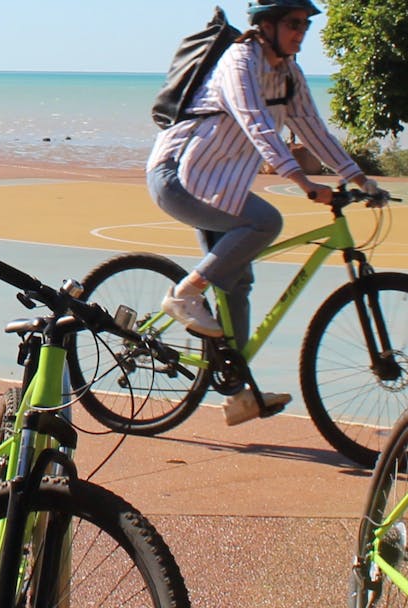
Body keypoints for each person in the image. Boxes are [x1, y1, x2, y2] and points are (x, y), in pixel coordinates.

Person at [145, 0, 388, 424]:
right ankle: (184, 294)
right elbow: (255, 120)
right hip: (180, 176)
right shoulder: (239, 60)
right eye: (294, 23)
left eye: (306, 25)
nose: (301, 32)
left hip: (220, 184)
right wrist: (302, 181)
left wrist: (360, 179)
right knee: (266, 221)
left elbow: (313, 128)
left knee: (238, 282)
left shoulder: (288, 74)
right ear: (267, 25)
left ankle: (237, 395)